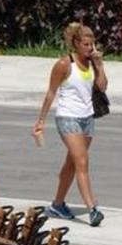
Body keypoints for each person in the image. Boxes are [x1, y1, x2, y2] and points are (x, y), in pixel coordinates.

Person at [32, 21, 108, 226]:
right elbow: (51, 93)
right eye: (85, 45)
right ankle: (93, 209)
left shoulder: (93, 62)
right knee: (82, 161)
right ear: (75, 43)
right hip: (67, 118)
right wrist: (41, 121)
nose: (90, 48)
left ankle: (57, 205)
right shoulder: (64, 64)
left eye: (92, 44)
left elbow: (102, 87)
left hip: (87, 118)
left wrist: (100, 65)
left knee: (72, 163)